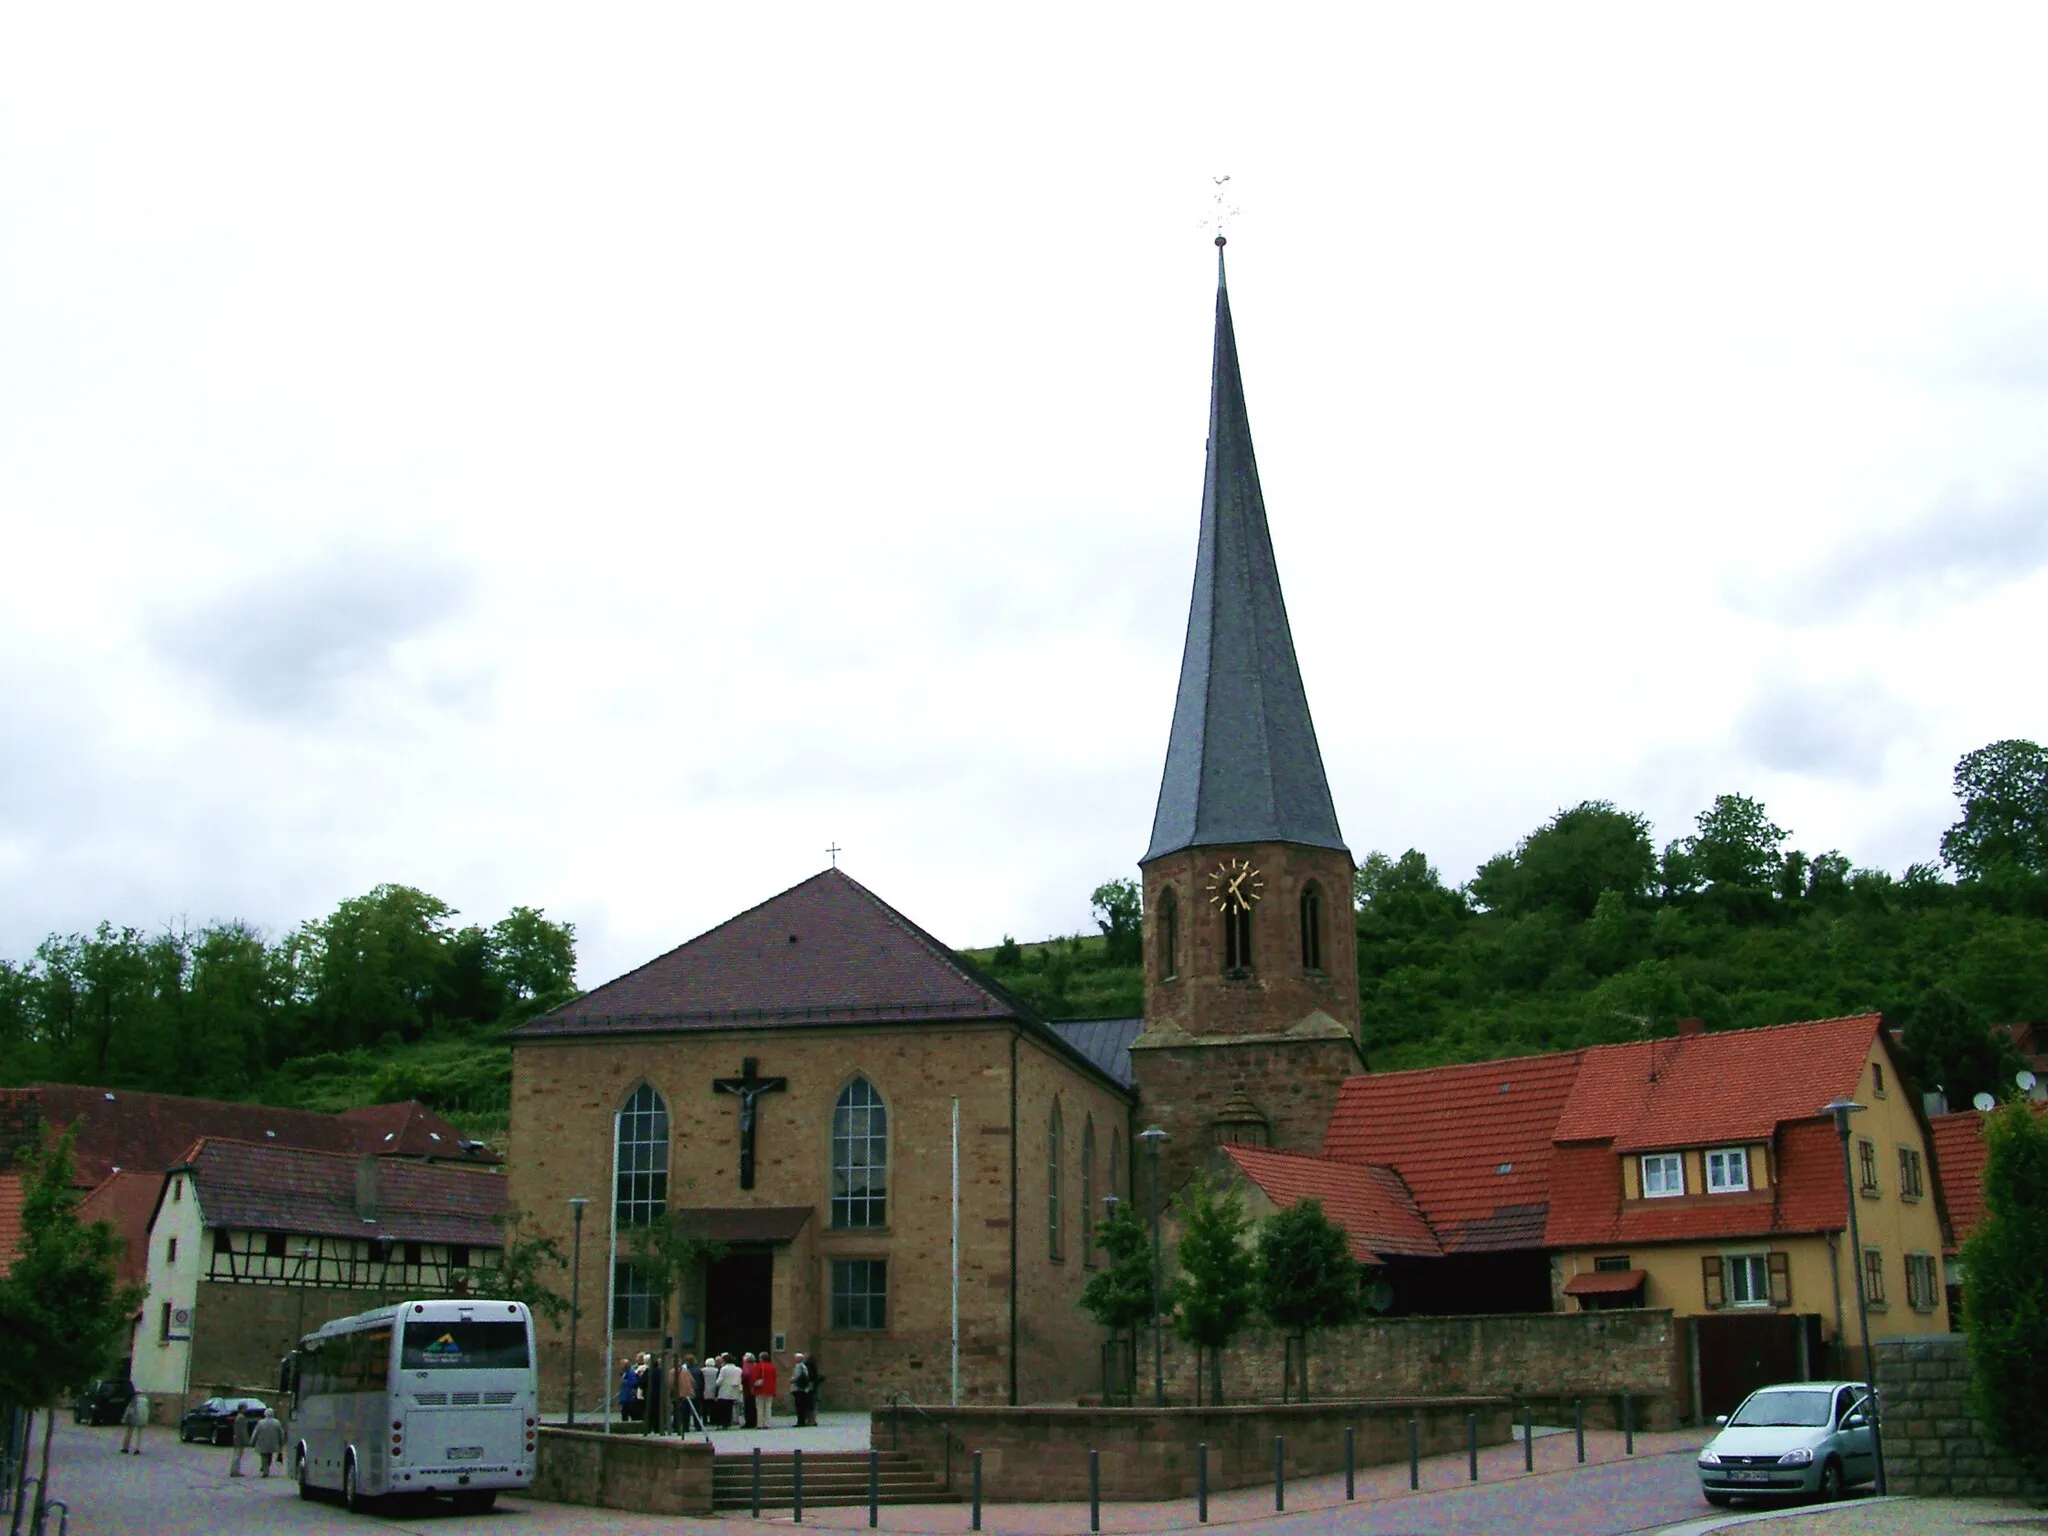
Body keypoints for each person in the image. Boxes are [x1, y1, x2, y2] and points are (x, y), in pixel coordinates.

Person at [251, 1407, 287, 1477]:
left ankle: (265, 1470)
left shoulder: (261, 1422)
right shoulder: (277, 1422)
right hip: (273, 1443)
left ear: (265, 1414)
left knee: (264, 1456)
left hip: (262, 1443)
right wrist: (281, 1442)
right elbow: (281, 1433)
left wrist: (252, 1441)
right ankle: (266, 1468)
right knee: (269, 1455)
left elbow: (255, 1433)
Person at [717, 1353, 743, 1428]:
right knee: (729, 1407)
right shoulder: (738, 1369)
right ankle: (728, 1422)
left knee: (722, 1408)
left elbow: (720, 1380)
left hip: (724, 1390)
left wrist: (716, 1384)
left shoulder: (724, 1369)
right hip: (734, 1390)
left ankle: (723, 1423)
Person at [119, 1389, 150, 1454]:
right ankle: (137, 1449)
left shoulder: (134, 1399)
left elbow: (129, 1409)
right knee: (139, 1434)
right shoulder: (146, 1400)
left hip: (134, 1418)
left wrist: (124, 1418)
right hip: (143, 1418)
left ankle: (125, 1448)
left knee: (129, 1432)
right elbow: (147, 1410)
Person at [229, 1404, 254, 1476]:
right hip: (239, 1439)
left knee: (237, 1455)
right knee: (238, 1455)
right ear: (241, 1409)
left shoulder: (238, 1417)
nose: (246, 1410)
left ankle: (235, 1470)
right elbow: (243, 1431)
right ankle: (235, 1471)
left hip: (237, 1438)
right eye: (245, 1408)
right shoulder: (241, 1418)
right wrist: (247, 1441)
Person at [790, 1354, 814, 1428]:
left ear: (799, 1359)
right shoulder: (803, 1366)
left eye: (795, 1358)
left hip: (798, 1388)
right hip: (803, 1388)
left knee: (799, 1406)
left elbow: (797, 1377)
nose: (794, 1359)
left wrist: (792, 1380)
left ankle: (800, 1421)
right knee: (802, 1405)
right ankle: (802, 1421)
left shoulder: (799, 1366)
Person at [756, 1352, 778, 1430]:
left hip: (760, 1389)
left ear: (761, 1358)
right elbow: (775, 1378)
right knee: (768, 1407)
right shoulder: (772, 1367)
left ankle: (760, 1424)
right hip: (770, 1389)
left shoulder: (758, 1366)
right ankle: (767, 1424)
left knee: (760, 1407)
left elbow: (754, 1377)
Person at [741, 1353, 759, 1430]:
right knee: (754, 1406)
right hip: (756, 1388)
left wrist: (741, 1379)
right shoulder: (756, 1365)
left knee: (748, 1406)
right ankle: (755, 1421)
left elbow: (746, 1374)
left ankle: (749, 1422)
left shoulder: (746, 1365)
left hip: (747, 1388)